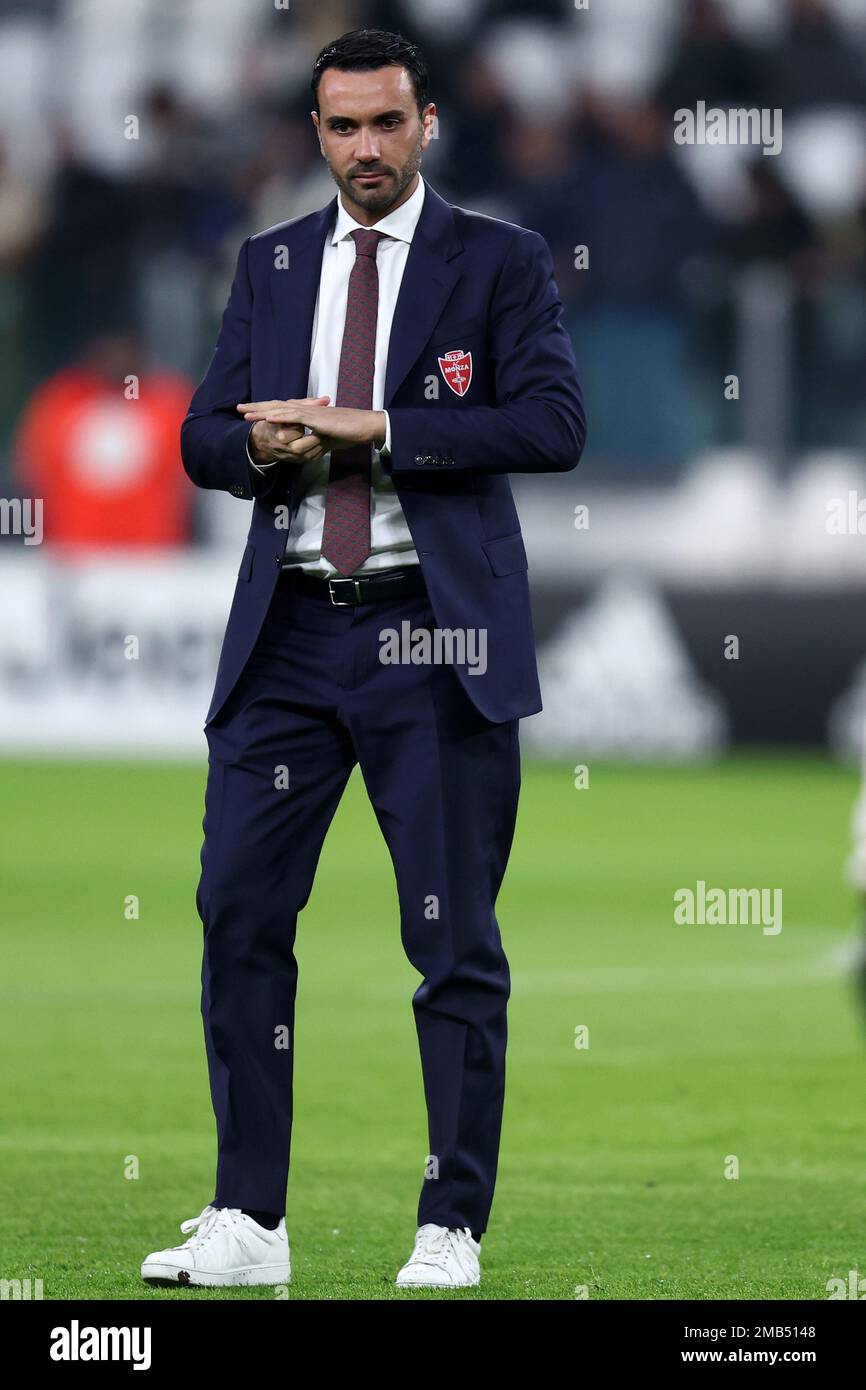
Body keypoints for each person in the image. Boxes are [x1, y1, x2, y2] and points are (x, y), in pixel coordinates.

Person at [141, 26, 585, 1291]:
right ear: (316, 133)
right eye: (342, 127)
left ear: (426, 124)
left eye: (387, 123)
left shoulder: (498, 260)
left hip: (429, 635)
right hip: (286, 630)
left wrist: (380, 429)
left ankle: (450, 1222)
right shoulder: (271, 262)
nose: (365, 148)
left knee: (447, 939)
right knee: (236, 910)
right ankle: (248, 1220)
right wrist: (261, 447)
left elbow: (553, 423)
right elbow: (200, 436)